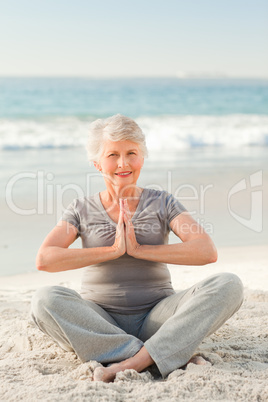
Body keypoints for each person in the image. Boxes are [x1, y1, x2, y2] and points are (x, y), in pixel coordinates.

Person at [31, 114, 243, 382]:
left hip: (159, 318)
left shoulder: (163, 203)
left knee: (229, 284)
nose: (123, 163)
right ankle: (160, 355)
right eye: (112, 155)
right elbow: (45, 258)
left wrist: (140, 249)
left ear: (142, 157)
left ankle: (129, 359)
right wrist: (112, 251)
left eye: (132, 152)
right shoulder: (81, 209)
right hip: (100, 321)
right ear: (97, 163)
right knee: (44, 300)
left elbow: (205, 250)